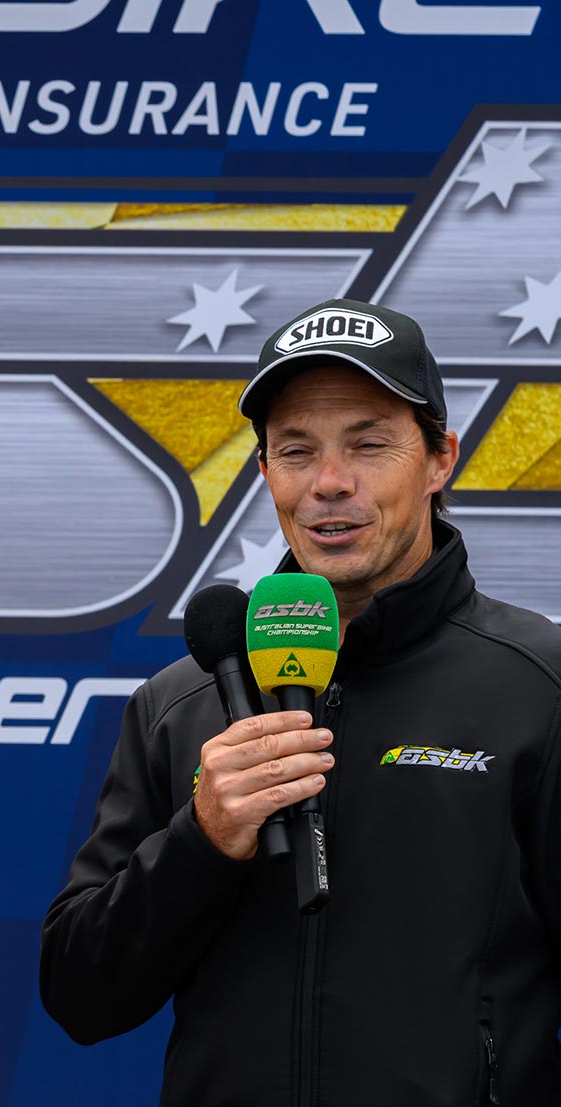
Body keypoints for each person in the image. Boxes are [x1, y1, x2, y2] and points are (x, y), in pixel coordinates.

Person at [40, 298, 561, 1105]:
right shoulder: (182, 702)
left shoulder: (539, 685)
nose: (329, 483)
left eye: (369, 444)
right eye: (296, 450)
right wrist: (202, 839)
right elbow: (81, 994)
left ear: (440, 459)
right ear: (264, 472)